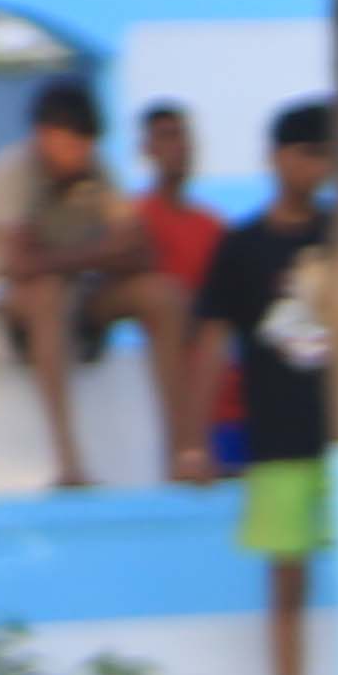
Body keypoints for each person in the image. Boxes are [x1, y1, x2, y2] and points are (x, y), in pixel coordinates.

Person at [193, 100, 338, 675]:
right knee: (286, 590)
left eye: (325, 154)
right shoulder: (241, 246)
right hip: (277, 444)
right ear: (276, 158)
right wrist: (194, 439)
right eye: (305, 153)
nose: (316, 167)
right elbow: (211, 342)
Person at [0, 80, 161, 493]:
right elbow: (21, 264)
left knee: (162, 295)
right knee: (48, 291)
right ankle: (68, 463)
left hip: (66, 303)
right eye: (73, 143)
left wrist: (74, 259)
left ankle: (185, 455)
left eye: (88, 143)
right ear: (45, 135)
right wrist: (100, 253)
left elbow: (141, 253)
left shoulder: (96, 173)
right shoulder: (9, 172)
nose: (83, 153)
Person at [129, 102, 229, 477]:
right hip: (175, 372)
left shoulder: (213, 227)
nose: (180, 147)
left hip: (222, 385)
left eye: (184, 136)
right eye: (167, 137)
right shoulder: (133, 219)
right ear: (147, 149)